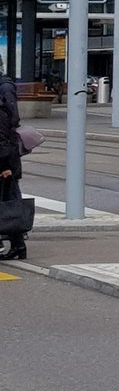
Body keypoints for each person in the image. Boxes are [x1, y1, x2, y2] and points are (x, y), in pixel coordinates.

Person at [0, 60, 28, 261]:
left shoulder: (5, 90)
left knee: (10, 203)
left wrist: (6, 166)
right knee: (9, 203)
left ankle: (17, 244)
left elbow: (4, 139)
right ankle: (18, 244)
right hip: (5, 160)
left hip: (5, 162)